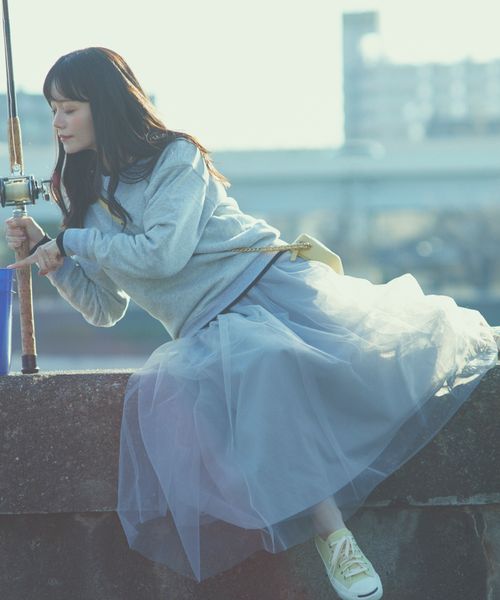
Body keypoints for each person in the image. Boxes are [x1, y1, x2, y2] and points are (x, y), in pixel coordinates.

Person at [4, 47, 499, 600]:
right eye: (53, 109)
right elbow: (106, 308)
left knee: (332, 356)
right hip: (206, 327)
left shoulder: (177, 157)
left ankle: (333, 536)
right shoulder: (82, 191)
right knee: (261, 367)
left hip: (267, 286)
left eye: (69, 108)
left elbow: (162, 255)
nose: (57, 122)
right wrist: (54, 260)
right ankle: (335, 538)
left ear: (107, 104)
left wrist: (72, 240)